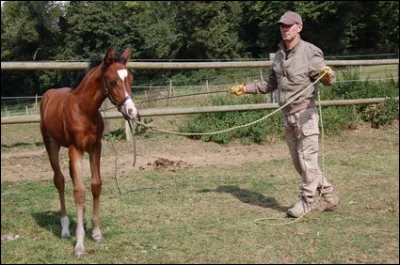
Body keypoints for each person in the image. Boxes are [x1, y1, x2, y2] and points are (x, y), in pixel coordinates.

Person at [228, 11, 339, 218]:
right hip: (287, 116)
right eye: (282, 26)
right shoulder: (279, 55)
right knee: (300, 164)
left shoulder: (310, 52)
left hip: (306, 114)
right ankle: (330, 196)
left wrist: (328, 75)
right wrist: (244, 88)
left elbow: (327, 79)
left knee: (308, 161)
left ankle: (306, 201)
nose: (285, 29)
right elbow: (269, 84)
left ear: (299, 27)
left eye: (289, 26)